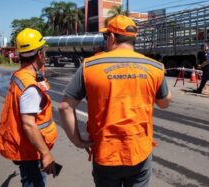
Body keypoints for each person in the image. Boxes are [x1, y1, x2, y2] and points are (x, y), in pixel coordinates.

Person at [58, 15, 172, 187]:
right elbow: (164, 103)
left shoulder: (89, 66)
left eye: (106, 37)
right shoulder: (155, 67)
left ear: (111, 38)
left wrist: (78, 141)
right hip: (139, 151)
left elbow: (65, 107)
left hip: (105, 152)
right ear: (133, 39)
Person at [0, 28, 58, 186]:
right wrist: (45, 154)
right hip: (31, 152)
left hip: (28, 148)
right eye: (44, 50)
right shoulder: (30, 86)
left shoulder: (21, 75)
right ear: (39, 54)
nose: (45, 53)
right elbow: (29, 124)